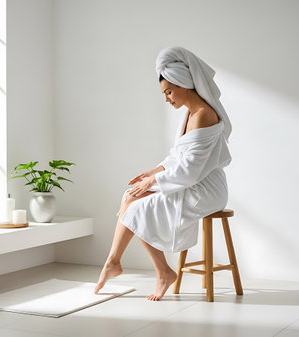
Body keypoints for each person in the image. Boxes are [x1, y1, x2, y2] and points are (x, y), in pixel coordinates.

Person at [94, 46, 232, 301]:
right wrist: (153, 171)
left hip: (206, 189)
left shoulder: (204, 115)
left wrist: (154, 180)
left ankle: (161, 272)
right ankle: (114, 261)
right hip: (190, 182)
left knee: (136, 210)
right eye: (164, 93)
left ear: (185, 85)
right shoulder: (190, 114)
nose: (167, 98)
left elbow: (190, 170)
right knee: (129, 197)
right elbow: (176, 157)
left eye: (169, 91)